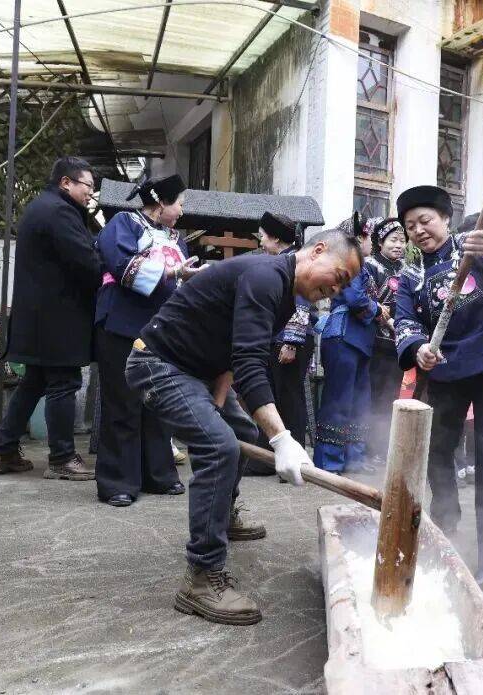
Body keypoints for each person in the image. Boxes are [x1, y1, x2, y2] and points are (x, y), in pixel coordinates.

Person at [124, 227, 361, 625]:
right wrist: (283, 438)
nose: (335, 291)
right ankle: (201, 576)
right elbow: (252, 365)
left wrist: (217, 406)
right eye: (338, 278)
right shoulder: (266, 277)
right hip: (157, 364)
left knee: (241, 432)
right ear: (318, 251)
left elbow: (234, 357)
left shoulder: (284, 293)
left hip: (197, 372)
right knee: (220, 448)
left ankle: (222, 512)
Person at [394, 185, 483, 590]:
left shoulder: (473, 246)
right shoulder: (411, 273)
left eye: (426, 221)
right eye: (410, 226)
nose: (419, 230)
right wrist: (419, 348)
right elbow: (404, 320)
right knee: (438, 447)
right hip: (446, 367)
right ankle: (444, 523)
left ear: (445, 219)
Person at [0, 157, 102, 481]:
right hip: (58, 316)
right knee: (64, 382)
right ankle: (62, 457)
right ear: (66, 182)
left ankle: (3, 449)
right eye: (88, 186)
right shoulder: (60, 212)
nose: (92, 193)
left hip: (39, 316)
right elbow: (85, 261)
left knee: (34, 381)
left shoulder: (43, 206)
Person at [93, 174, 199, 507]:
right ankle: (118, 482)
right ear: (161, 202)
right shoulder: (124, 224)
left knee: (158, 403)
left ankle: (159, 474)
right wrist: (175, 274)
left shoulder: (177, 240)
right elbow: (122, 267)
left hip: (162, 332)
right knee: (123, 402)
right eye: (179, 202)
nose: (182, 210)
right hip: (123, 325)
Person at [314, 216, 378, 474]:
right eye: (369, 237)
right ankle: (329, 461)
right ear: (359, 238)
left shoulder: (361, 266)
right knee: (339, 401)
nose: (372, 243)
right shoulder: (347, 263)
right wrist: (378, 309)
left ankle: (354, 458)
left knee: (359, 402)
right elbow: (353, 298)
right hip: (343, 338)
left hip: (358, 339)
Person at [260, 212, 314, 447]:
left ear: (275, 239)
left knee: (290, 398)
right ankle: (273, 455)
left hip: (291, 341)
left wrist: (291, 343)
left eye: (262, 237)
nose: (260, 242)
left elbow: (301, 304)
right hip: (279, 340)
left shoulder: (294, 262)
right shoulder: (283, 260)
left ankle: (295, 453)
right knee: (277, 397)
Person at [364, 217, 406, 460]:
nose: (398, 245)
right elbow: (369, 302)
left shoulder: (408, 269)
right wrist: (386, 320)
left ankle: (387, 447)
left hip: (399, 344)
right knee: (375, 394)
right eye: (393, 239)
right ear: (380, 241)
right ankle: (371, 450)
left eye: (402, 240)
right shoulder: (370, 265)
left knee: (393, 395)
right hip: (376, 342)